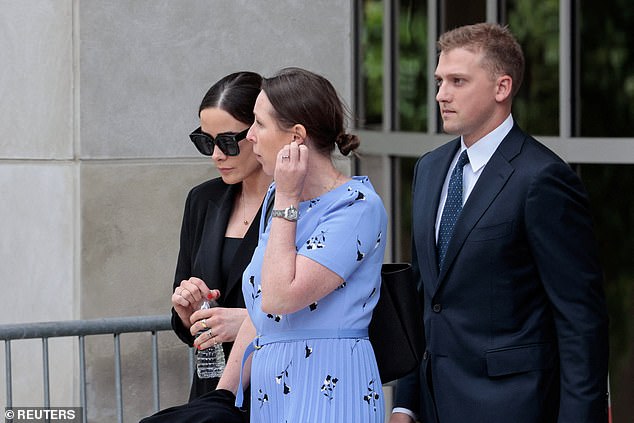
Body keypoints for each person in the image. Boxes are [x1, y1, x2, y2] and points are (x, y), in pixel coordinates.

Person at [389, 23, 610, 423]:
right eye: (440, 81)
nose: (441, 94)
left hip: (514, 407)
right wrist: (405, 403)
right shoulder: (429, 168)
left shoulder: (543, 179)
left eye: (458, 81)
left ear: (501, 88)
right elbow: (424, 297)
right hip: (434, 405)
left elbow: (581, 322)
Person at [170, 71, 271, 403]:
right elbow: (187, 316)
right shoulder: (203, 200)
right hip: (211, 391)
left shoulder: (295, 205)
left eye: (227, 141)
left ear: (257, 132)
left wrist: (244, 322)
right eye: (205, 141)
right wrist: (187, 314)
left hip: (275, 386)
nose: (216, 154)